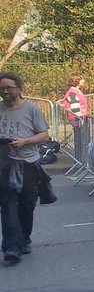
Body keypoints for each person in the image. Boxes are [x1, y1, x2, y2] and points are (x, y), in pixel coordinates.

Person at [0, 72, 51, 263]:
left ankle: (23, 240)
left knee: (27, 204)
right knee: (7, 204)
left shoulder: (32, 109)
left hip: (28, 163)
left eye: (9, 88)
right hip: (4, 164)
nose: (5, 92)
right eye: (2, 88)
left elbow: (44, 135)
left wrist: (25, 141)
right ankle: (11, 246)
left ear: (19, 89)